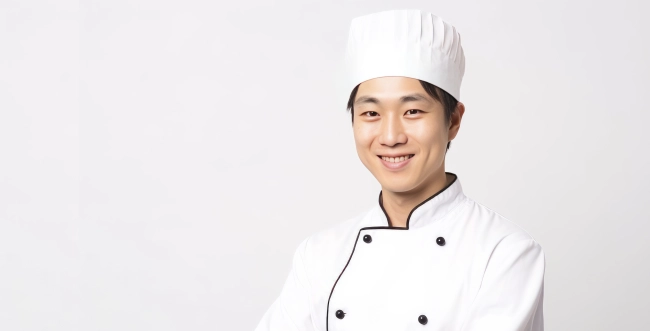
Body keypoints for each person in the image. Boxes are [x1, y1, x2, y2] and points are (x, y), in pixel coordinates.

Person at [254, 9, 545, 331]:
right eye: (371, 113)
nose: (391, 137)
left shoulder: (504, 252)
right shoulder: (319, 254)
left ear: (453, 120)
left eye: (413, 111)